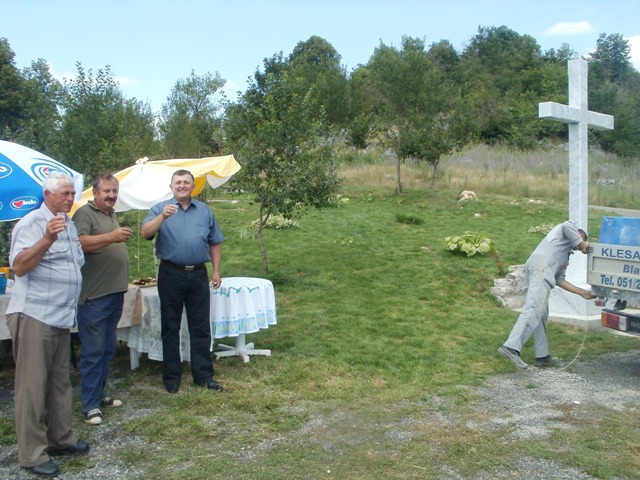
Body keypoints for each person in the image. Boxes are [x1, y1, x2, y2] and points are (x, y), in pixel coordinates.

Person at [5, 173, 90, 478]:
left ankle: (61, 439)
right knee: (32, 387)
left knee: (59, 382)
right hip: (34, 316)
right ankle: (31, 454)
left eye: (72, 193)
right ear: (48, 194)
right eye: (65, 194)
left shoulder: (66, 223)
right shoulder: (32, 223)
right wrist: (46, 239)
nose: (70, 198)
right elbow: (19, 266)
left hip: (60, 317)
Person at [141, 169, 224, 394]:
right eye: (178, 182)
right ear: (171, 187)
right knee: (170, 327)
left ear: (192, 186)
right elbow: (145, 232)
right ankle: (171, 377)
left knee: (200, 326)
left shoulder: (205, 211)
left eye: (186, 182)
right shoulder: (160, 209)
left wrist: (216, 271)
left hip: (198, 274)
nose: (182, 186)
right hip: (171, 274)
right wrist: (162, 218)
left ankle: (204, 376)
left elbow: (215, 242)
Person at [72, 173, 133, 426]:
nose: (111, 196)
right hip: (94, 297)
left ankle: (99, 395)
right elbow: (79, 243)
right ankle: (89, 405)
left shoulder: (110, 214)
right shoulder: (84, 214)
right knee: (93, 352)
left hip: (113, 294)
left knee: (107, 350)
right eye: (106, 191)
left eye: (114, 191)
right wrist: (112, 237)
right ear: (94, 193)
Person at [498, 221, 595, 369]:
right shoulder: (563, 232)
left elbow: (559, 279)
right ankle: (510, 347)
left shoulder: (565, 254)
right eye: (580, 240)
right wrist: (583, 245)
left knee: (541, 313)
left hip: (543, 272)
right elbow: (566, 225)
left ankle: (542, 356)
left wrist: (582, 293)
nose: (579, 246)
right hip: (540, 269)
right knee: (534, 308)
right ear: (578, 235)